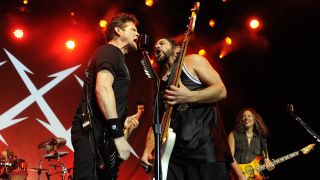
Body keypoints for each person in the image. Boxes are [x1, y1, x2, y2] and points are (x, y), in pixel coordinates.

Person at [140, 38, 230, 180]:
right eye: (156, 44)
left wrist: (189, 96)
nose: (156, 45)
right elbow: (156, 122)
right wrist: (147, 150)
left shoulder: (192, 61)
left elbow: (221, 90)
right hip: (173, 156)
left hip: (204, 150)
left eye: (162, 43)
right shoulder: (159, 82)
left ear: (177, 49)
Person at [71, 13, 140, 180]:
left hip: (101, 133)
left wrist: (122, 119)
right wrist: (118, 134)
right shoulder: (110, 51)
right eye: (133, 29)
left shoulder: (114, 56)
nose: (138, 34)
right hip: (93, 132)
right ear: (117, 30)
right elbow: (102, 88)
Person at [228, 108, 275, 180]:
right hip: (236, 176)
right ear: (241, 120)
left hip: (256, 177)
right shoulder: (233, 134)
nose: (246, 117)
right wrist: (240, 174)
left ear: (254, 119)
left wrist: (270, 165)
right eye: (243, 116)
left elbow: (266, 159)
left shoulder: (261, 138)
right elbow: (230, 157)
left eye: (249, 116)